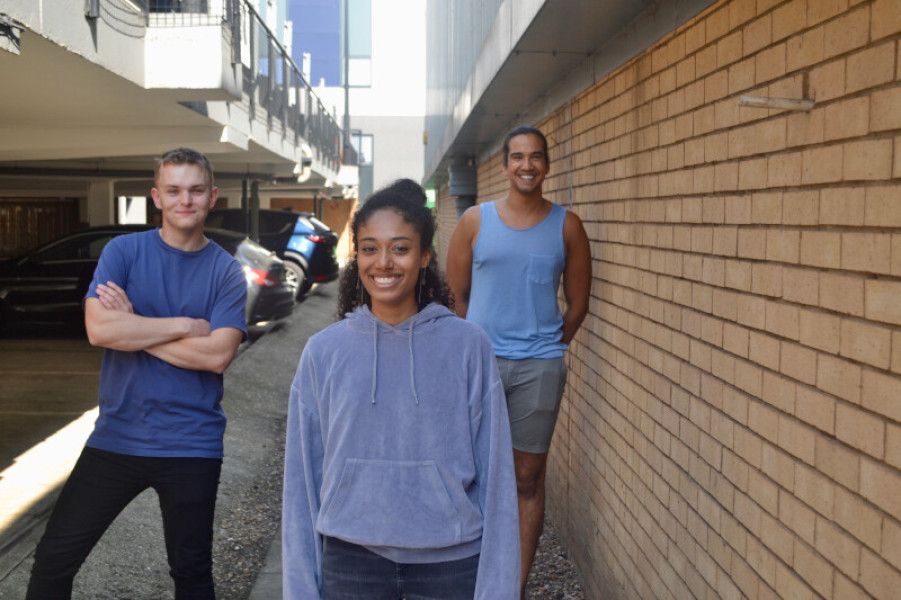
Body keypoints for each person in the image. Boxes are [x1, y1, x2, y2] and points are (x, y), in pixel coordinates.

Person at [282, 179, 520, 599]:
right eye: (370, 248)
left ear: (425, 255)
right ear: (357, 255)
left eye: (401, 247)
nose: (384, 263)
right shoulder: (324, 352)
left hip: (450, 562)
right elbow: (301, 482)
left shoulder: (468, 346)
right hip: (351, 560)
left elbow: (498, 476)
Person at [26, 148, 247, 600]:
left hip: (191, 444)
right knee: (53, 562)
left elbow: (217, 356)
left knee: (191, 574)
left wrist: (136, 326)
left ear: (212, 197)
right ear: (157, 197)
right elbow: (99, 329)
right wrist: (184, 325)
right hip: (116, 439)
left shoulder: (225, 271)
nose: (185, 200)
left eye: (196, 190)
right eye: (174, 191)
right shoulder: (123, 251)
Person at [446, 126, 592, 599]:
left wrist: (546, 348)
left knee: (527, 478)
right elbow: (456, 297)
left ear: (547, 165)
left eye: (535, 157)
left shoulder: (567, 226)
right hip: (480, 366)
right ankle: (468, 572)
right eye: (517, 157)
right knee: (471, 472)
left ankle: (512, 586)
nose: (526, 165)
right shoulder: (475, 221)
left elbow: (577, 302)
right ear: (505, 165)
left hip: (539, 370)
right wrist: (474, 346)